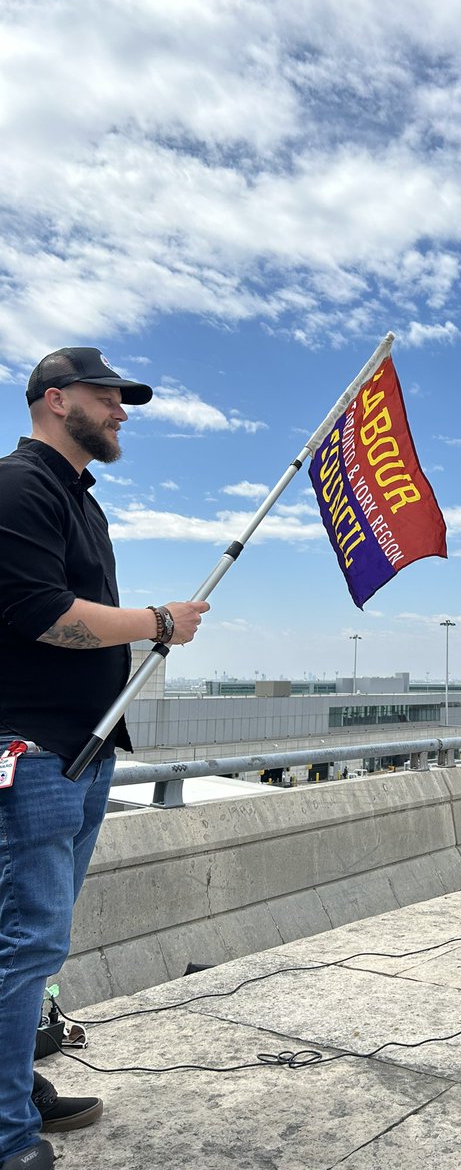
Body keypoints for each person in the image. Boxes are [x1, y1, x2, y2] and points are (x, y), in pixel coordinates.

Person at [0, 348, 209, 1170]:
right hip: (35, 751)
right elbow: (42, 615)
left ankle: (15, 1088)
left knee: (31, 941)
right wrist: (155, 619)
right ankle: (7, 1131)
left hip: (82, 755)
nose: (122, 410)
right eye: (106, 396)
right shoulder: (18, 487)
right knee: (28, 941)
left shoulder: (82, 503)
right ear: (55, 400)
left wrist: (147, 627)